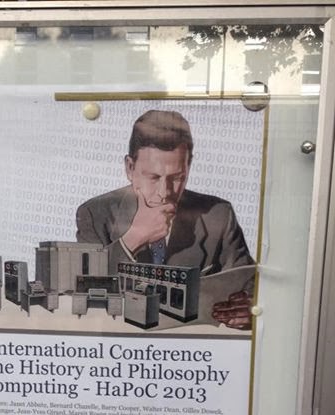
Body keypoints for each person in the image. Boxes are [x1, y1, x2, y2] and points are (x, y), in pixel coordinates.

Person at [76, 109, 255, 329]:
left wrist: (249, 307)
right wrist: (133, 239)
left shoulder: (219, 214)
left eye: (177, 178)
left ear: (189, 165)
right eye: (153, 177)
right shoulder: (94, 213)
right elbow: (82, 293)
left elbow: (248, 284)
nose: (165, 192)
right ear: (130, 168)